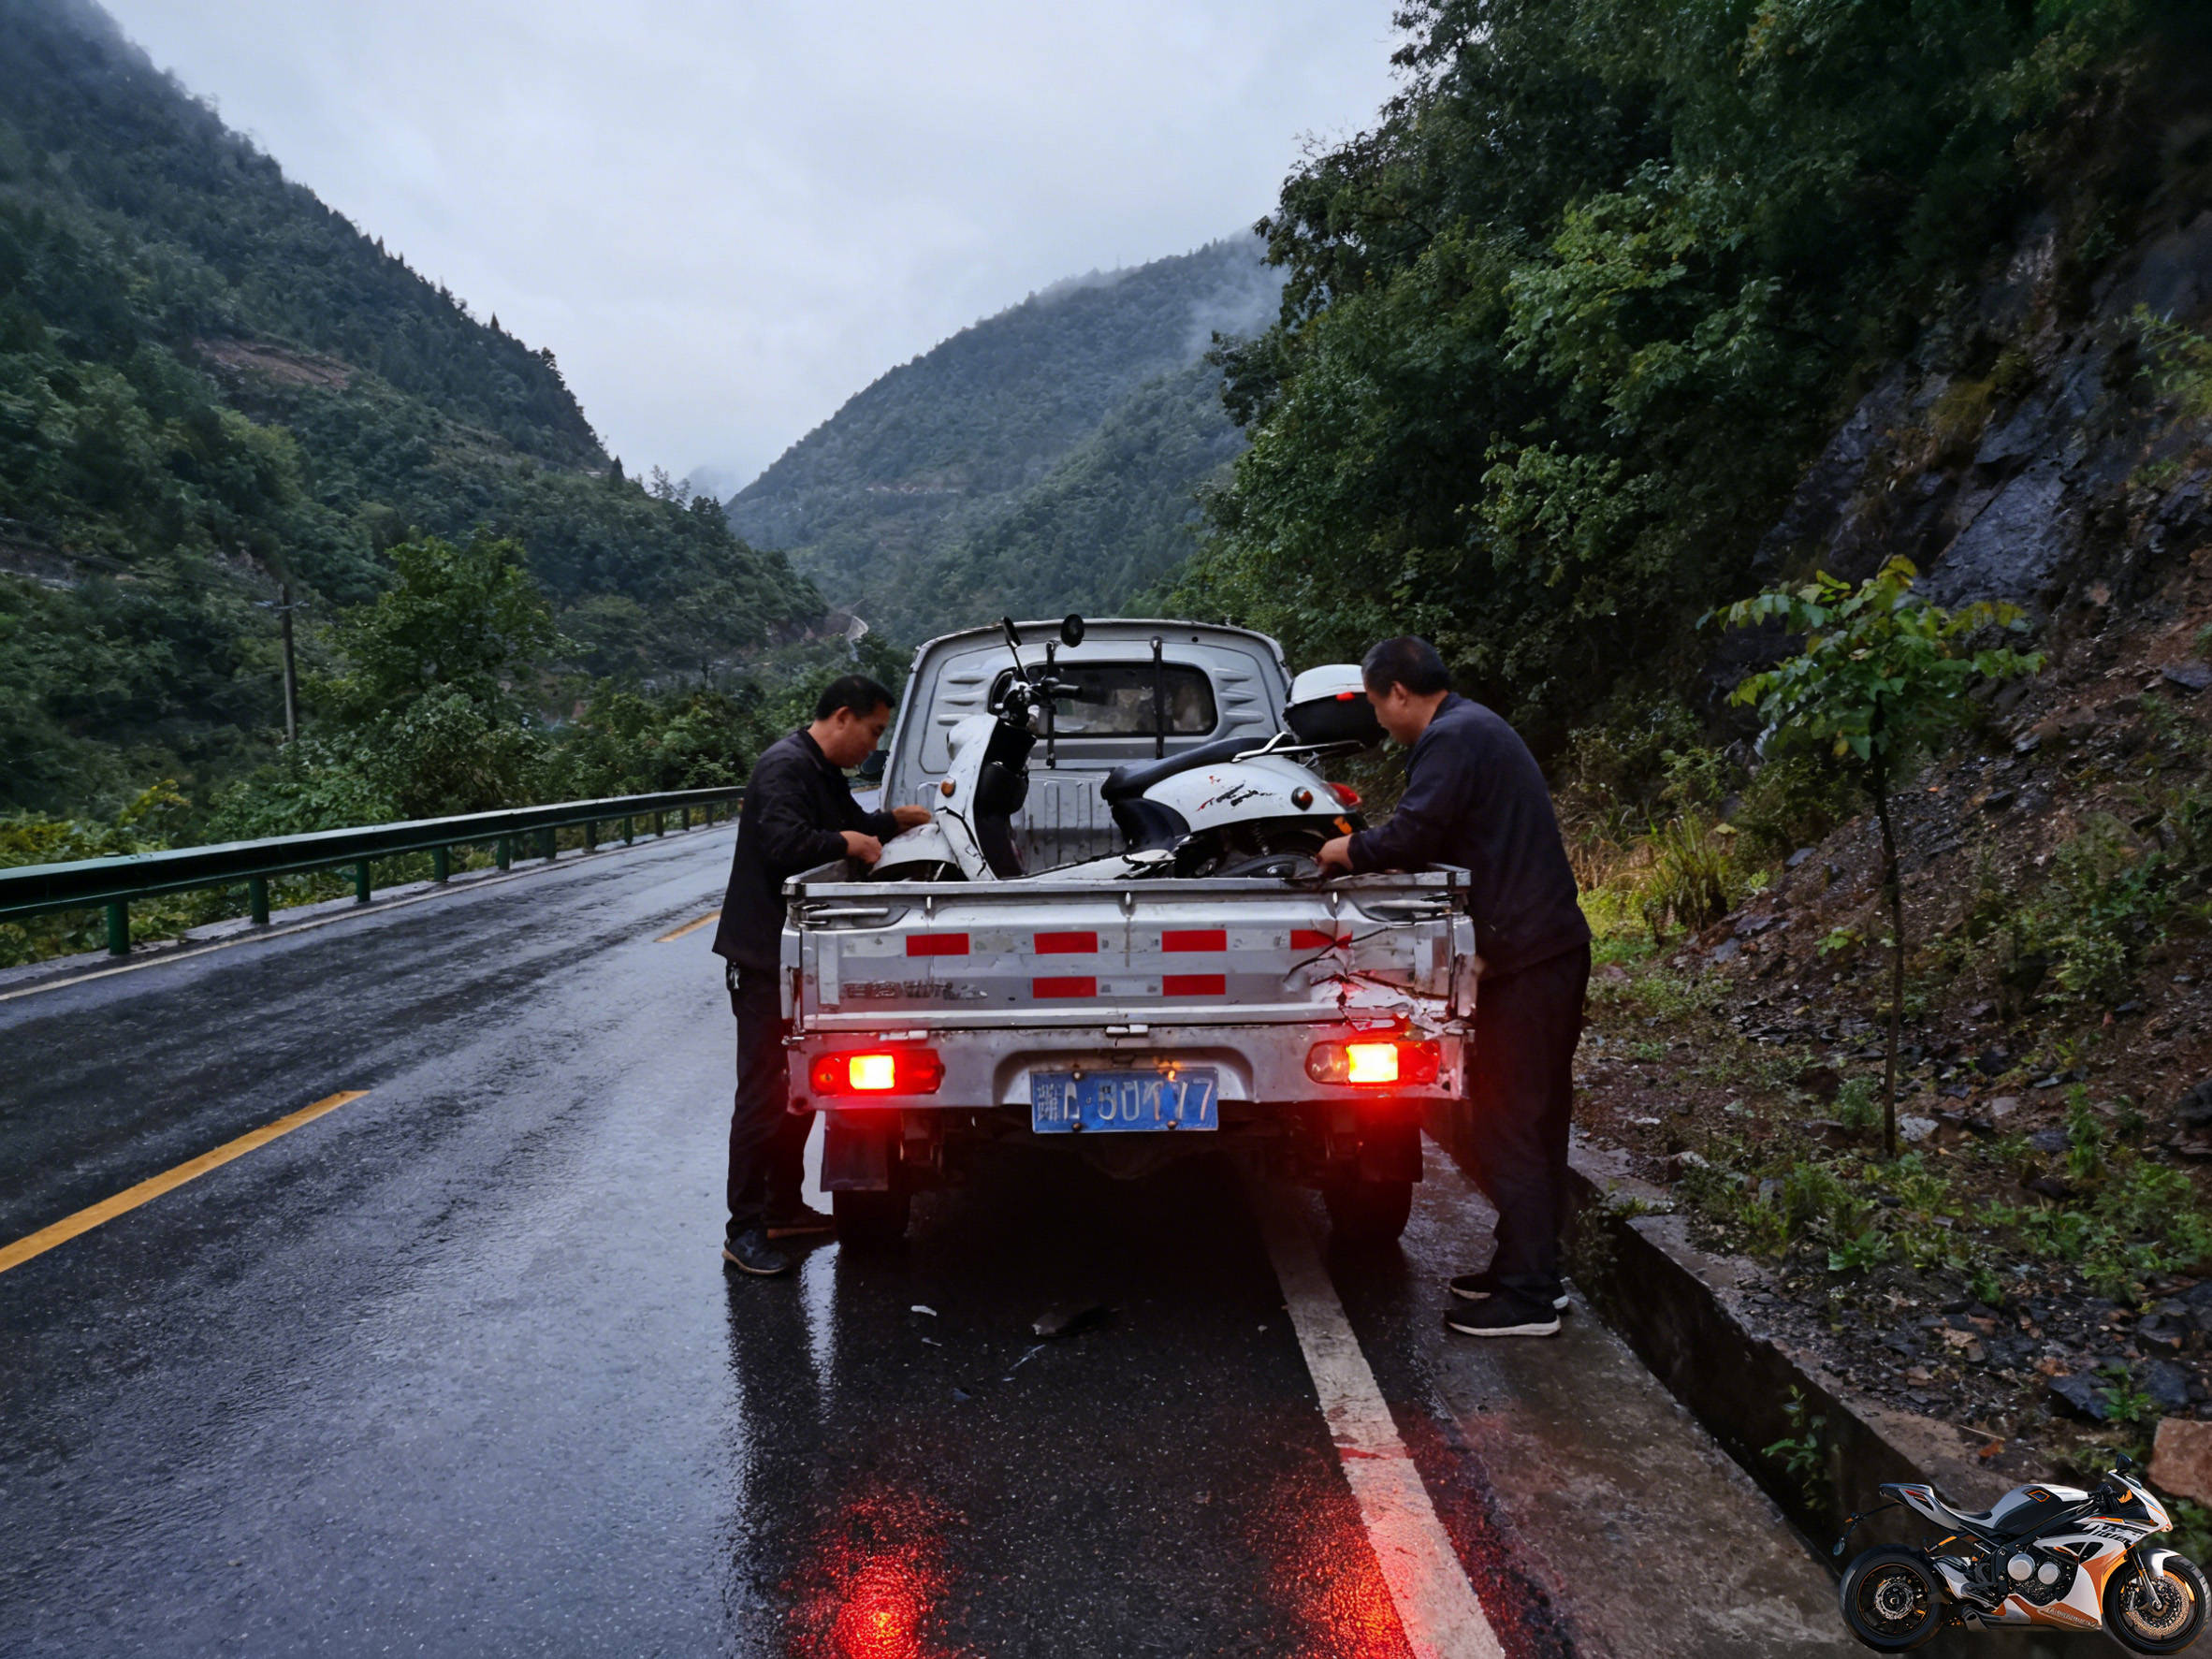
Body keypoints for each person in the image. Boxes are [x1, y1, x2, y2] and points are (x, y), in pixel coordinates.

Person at [1317, 637, 1591, 1337]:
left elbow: (1413, 835)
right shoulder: (1473, 727)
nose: (1380, 721)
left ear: (1399, 692)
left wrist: (1347, 848)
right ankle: (1528, 1269)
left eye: (1376, 705)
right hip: (1543, 952)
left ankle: (1528, 1297)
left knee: (1510, 1123)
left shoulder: (1452, 738)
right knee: (1531, 1120)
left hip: (1531, 962)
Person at [711, 674, 930, 1276]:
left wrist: (891, 822)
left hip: (797, 960)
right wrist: (850, 842)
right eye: (873, 731)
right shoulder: (784, 766)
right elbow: (787, 845)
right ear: (842, 717)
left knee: (798, 1091)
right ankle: (743, 1230)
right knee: (762, 1096)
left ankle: (783, 1208)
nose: (874, 744)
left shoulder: (820, 769)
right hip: (763, 960)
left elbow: (848, 823)